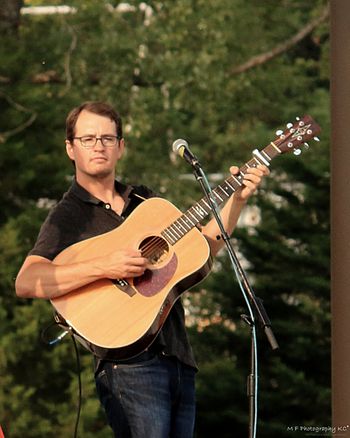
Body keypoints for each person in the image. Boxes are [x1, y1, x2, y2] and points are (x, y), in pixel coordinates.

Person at [15, 101, 269, 437]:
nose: (99, 146)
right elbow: (28, 281)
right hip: (128, 365)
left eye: (107, 138)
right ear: (70, 148)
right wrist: (104, 265)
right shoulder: (68, 216)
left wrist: (237, 201)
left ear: (121, 147)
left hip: (179, 357)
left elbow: (201, 249)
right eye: (88, 139)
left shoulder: (146, 203)